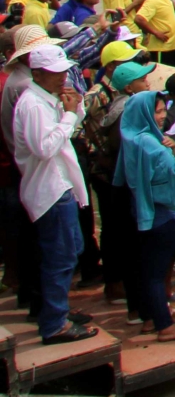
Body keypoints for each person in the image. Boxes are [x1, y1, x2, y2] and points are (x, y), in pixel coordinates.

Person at [12, 43, 95, 343]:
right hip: (49, 189)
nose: (62, 77)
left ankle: (57, 312)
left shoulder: (48, 98)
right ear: (37, 73)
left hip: (61, 185)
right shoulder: (33, 104)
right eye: (55, 73)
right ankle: (54, 323)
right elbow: (44, 147)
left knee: (70, 250)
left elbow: (70, 127)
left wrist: (75, 107)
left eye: (63, 71)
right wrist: (69, 116)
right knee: (60, 257)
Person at [115, 88, 175, 340]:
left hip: (140, 210)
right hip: (161, 214)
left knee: (146, 269)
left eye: (164, 110)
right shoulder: (152, 146)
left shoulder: (132, 137)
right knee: (155, 273)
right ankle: (165, 326)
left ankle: (149, 319)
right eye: (159, 111)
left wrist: (169, 147)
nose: (163, 116)